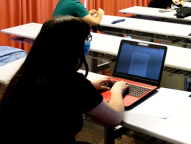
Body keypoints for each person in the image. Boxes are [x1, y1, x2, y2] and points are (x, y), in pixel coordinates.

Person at [0, 16, 128, 143]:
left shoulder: (27, 74)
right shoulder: (73, 82)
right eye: (86, 39)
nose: (87, 42)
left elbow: (57, 92)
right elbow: (114, 118)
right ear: (72, 46)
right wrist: (116, 90)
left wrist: (89, 86)